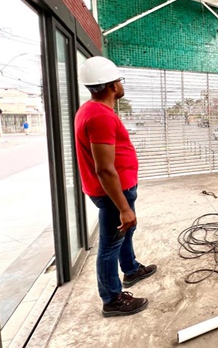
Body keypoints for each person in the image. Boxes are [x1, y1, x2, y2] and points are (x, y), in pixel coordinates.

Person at [75, 56, 157, 317]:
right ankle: (112, 299)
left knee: (125, 233)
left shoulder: (91, 110)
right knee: (110, 244)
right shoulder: (100, 116)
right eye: (120, 80)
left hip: (117, 190)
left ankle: (131, 269)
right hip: (113, 194)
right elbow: (104, 168)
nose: (122, 85)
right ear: (111, 85)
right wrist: (123, 207)